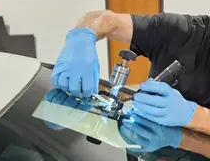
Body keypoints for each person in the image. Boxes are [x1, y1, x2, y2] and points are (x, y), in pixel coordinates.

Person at [51, 11, 210, 138]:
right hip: (154, 157)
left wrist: (194, 116)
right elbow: (103, 19)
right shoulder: (181, 32)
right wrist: (81, 38)